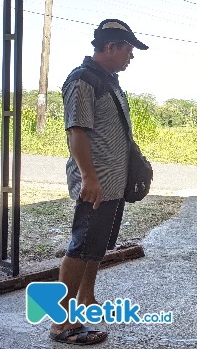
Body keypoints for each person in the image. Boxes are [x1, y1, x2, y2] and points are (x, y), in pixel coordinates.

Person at [49, 19, 149, 345]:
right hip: (96, 184)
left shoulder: (109, 81)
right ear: (110, 47)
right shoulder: (82, 81)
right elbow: (76, 132)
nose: (130, 58)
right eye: (128, 51)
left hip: (112, 184)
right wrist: (89, 178)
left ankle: (86, 300)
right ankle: (61, 322)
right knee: (80, 248)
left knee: (96, 248)